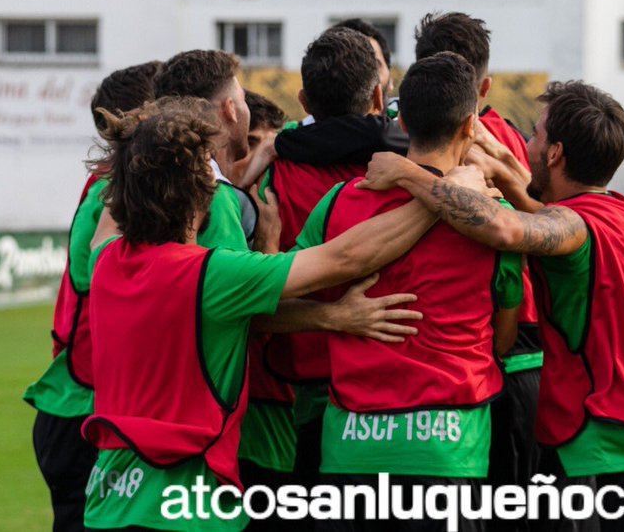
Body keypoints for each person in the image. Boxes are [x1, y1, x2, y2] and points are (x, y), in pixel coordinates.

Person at [360, 81, 624, 532]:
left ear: (555, 153)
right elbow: (545, 214)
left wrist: (408, 174)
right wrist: (504, 173)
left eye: (535, 136)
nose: (527, 145)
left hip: (620, 467)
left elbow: (504, 229)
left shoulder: (574, 228)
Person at [81, 95, 449, 531]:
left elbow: (111, 215)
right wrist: (441, 196)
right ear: (199, 193)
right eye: (209, 171)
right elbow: (346, 258)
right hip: (185, 509)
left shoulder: (104, 262)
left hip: (107, 501)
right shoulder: (210, 274)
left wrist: (137, 147)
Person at [307, 52, 523, 531]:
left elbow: (279, 299)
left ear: (400, 118)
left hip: (349, 451)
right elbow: (504, 338)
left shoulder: (338, 202)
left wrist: (333, 317)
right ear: (471, 125)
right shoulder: (494, 217)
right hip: (449, 452)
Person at [253, 27, 408, 493]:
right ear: (380, 95)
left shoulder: (268, 176)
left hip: (300, 379)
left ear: (303, 99)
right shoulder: (411, 169)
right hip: (393, 380)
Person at [23, 59, 160, 532]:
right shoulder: (111, 194)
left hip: (81, 406)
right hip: (82, 412)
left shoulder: (113, 187)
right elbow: (100, 276)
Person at [415, 10, 543, 502]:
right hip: (516, 353)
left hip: (453, 356)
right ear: (484, 86)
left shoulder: (387, 144)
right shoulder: (514, 144)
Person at [153, 49, 256, 250]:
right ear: (230, 109)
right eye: (243, 99)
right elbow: (229, 279)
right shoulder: (214, 196)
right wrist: (269, 239)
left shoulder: (153, 183)